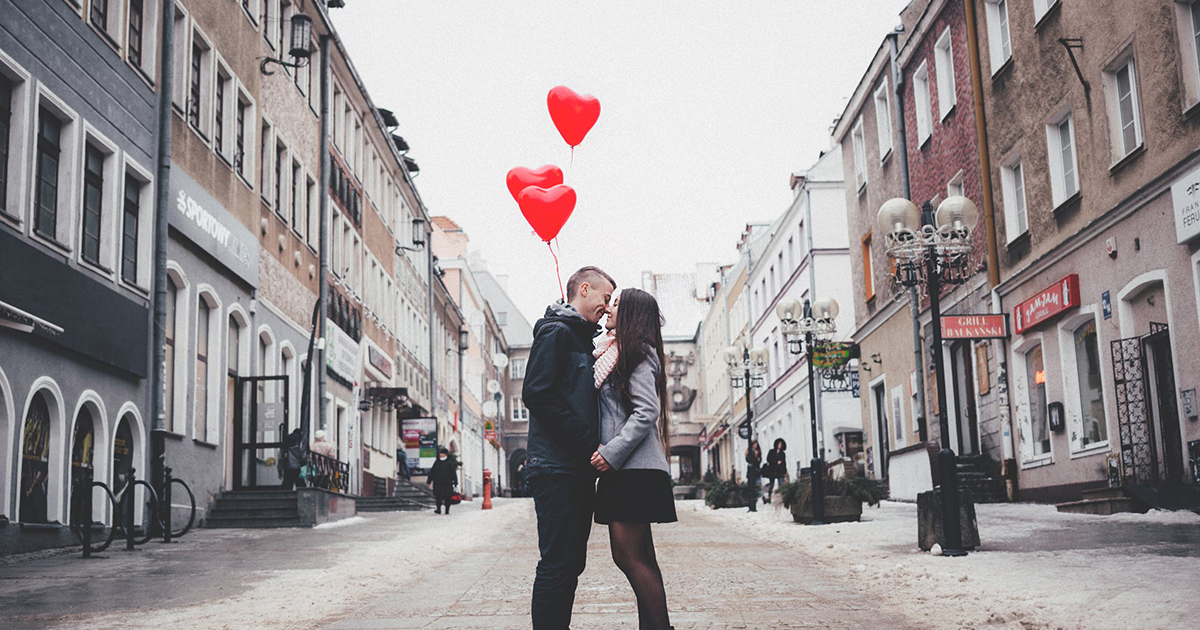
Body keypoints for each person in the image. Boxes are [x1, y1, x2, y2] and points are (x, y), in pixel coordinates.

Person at [523, 266, 615, 630]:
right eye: (605, 299)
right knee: (557, 563)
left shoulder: (579, 338)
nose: (607, 309)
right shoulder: (556, 333)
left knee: (571, 562)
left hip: (574, 469)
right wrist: (585, 440)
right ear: (585, 289)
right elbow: (537, 393)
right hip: (555, 468)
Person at [590, 287, 677, 630]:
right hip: (631, 469)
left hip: (632, 469)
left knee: (627, 557)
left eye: (615, 304)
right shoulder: (615, 353)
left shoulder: (638, 352)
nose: (608, 309)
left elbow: (646, 412)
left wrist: (610, 453)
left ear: (630, 314)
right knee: (642, 558)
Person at [426, 448, 458, 514]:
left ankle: (447, 510)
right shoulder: (437, 462)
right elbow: (432, 471)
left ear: (445, 454)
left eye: (442, 453)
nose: (440, 454)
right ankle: (438, 509)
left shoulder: (450, 463)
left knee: (447, 497)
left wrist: (455, 482)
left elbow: (453, 473)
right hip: (438, 482)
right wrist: (429, 480)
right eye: (440, 453)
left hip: (447, 483)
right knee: (438, 496)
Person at [764, 438, 788, 504]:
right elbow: (768, 459)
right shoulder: (771, 451)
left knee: (781, 484)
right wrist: (776, 462)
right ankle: (769, 497)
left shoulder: (782, 453)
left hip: (780, 471)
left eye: (781, 444)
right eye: (779, 444)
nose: (779, 445)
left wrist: (785, 471)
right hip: (772, 471)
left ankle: (782, 498)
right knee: (771, 484)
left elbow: (784, 463)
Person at [745, 440, 762, 512]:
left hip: (756, 471)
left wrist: (758, 459)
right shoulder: (750, 452)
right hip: (752, 472)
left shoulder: (758, 451)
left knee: (757, 485)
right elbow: (749, 460)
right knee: (751, 488)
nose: (755, 446)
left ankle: (759, 498)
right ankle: (751, 505)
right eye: (754, 445)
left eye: (756, 445)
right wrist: (756, 458)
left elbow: (759, 460)